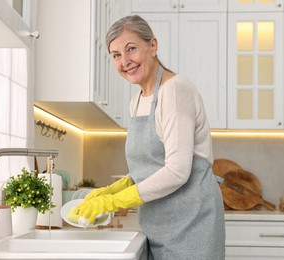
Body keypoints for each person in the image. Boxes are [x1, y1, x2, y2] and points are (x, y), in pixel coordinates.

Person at [68, 15, 225, 259]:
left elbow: (177, 171)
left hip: (192, 222)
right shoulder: (137, 102)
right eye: (116, 55)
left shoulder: (174, 90)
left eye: (131, 49)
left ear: (152, 46)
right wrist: (112, 189)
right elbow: (150, 167)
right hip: (158, 223)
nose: (125, 61)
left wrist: (115, 201)